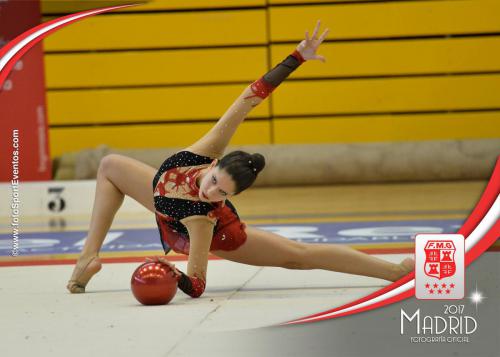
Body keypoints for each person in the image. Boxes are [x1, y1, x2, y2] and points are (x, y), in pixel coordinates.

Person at [67, 21, 414, 297]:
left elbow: (198, 285)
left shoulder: (202, 218)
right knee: (110, 165)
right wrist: (297, 57)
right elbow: (250, 97)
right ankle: (88, 257)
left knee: (299, 255)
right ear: (212, 165)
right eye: (214, 181)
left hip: (210, 233)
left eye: (222, 194)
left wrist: (175, 274)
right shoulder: (204, 150)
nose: (212, 192)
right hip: (163, 197)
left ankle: (394, 272)